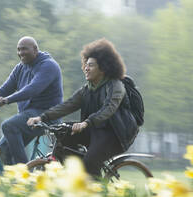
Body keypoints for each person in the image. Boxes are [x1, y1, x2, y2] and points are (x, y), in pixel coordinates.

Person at [27, 38, 139, 178]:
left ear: (103, 68)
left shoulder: (116, 86)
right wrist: (42, 117)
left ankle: (97, 192)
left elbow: (108, 109)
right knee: (64, 134)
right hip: (95, 130)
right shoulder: (87, 89)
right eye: (85, 64)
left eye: (91, 65)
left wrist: (86, 122)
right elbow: (68, 105)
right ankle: (76, 177)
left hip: (116, 134)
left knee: (91, 161)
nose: (86, 68)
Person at [0, 36, 63, 165]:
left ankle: (23, 173)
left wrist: (6, 100)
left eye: (24, 49)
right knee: (1, 152)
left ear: (35, 49)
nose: (20, 53)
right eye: (18, 50)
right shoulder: (20, 68)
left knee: (9, 125)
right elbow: (5, 88)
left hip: (45, 116)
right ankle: (11, 182)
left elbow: (32, 89)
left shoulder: (49, 66)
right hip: (28, 117)